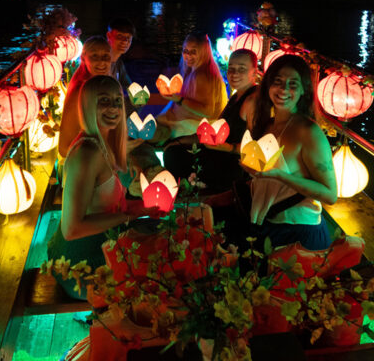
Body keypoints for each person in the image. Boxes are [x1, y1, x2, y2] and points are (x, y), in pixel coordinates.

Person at [47, 76, 160, 299]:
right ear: (88, 105)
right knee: (164, 267)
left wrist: (140, 209)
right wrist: (128, 215)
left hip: (99, 244)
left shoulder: (103, 142)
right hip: (81, 266)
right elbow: (71, 229)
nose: (114, 108)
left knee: (165, 233)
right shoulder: (88, 154)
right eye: (104, 100)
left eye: (118, 101)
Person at [242, 54, 338, 251]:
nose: (284, 90)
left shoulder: (308, 132)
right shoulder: (266, 125)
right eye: (278, 82)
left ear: (304, 90)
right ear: (268, 85)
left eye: (292, 84)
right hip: (266, 224)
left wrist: (281, 175)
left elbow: (330, 195)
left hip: (299, 233)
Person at [163, 48, 259, 192]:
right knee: (172, 148)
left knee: (175, 156)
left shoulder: (252, 100)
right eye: (231, 68)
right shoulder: (235, 96)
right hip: (217, 151)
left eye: (242, 69)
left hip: (230, 163)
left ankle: (193, 190)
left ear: (254, 73)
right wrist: (178, 141)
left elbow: (255, 147)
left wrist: (227, 147)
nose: (234, 74)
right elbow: (212, 133)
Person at [156, 31, 228, 140]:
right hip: (184, 120)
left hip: (193, 127)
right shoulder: (193, 71)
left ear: (203, 52)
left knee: (149, 133)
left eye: (193, 51)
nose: (188, 55)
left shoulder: (202, 76)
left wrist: (179, 99)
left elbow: (208, 111)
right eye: (185, 50)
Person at [58, 36, 113, 158]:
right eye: (94, 56)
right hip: (86, 162)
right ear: (83, 58)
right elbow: (64, 148)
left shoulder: (100, 84)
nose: (102, 62)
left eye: (106, 56)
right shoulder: (80, 91)